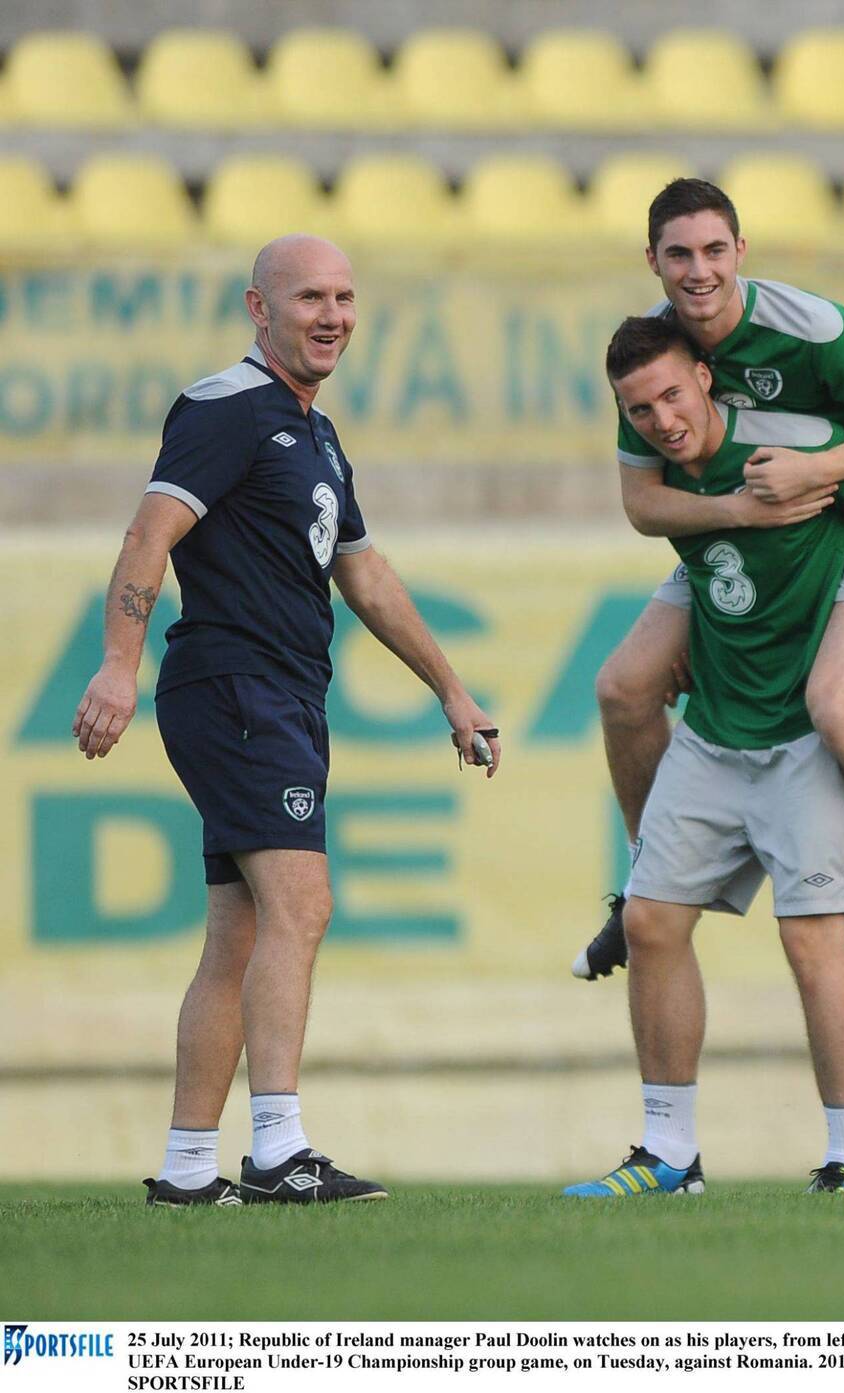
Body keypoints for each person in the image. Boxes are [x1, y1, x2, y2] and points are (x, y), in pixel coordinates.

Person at [73, 235, 501, 1206]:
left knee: (239, 933)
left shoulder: (316, 431)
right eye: (309, 297)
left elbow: (364, 573)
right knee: (303, 906)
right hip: (237, 688)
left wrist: (450, 687)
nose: (332, 316)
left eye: (344, 297)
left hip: (281, 694)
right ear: (258, 308)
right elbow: (148, 534)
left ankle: (188, 1167)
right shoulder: (224, 406)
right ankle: (277, 1149)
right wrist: (117, 663)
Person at [564, 315, 844, 1199]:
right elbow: (644, 512)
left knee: (812, 942)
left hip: (801, 743)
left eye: (673, 395)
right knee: (652, 924)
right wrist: (729, 515)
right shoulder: (658, 474)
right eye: (641, 409)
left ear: (707, 378)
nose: (662, 420)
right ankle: (669, 1154)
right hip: (712, 731)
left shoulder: (800, 453)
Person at [577, 179, 844, 1026]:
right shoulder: (651, 359)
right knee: (623, 688)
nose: (698, 270)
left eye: (714, 250)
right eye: (679, 254)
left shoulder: (813, 327)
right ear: (653, 261)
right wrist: (741, 513)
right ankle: (647, 880)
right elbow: (643, 503)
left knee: (837, 702)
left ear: (741, 252)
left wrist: (815, 475)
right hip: (755, 521)